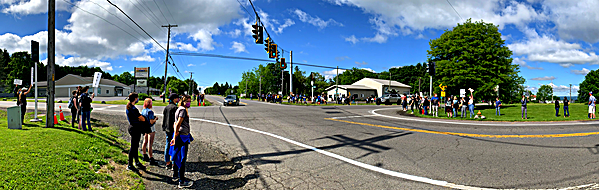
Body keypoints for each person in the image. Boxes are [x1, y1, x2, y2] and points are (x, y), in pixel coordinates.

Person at [170, 94, 194, 188]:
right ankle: (182, 181)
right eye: (187, 101)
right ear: (183, 101)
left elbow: (175, 123)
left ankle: (176, 175)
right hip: (182, 137)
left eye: (190, 101)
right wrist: (175, 137)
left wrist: (174, 137)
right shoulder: (183, 110)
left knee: (177, 157)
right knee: (183, 158)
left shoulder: (179, 109)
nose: (189, 103)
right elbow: (177, 124)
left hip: (180, 136)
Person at [125, 92, 146, 171]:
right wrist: (141, 118)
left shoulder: (130, 106)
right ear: (135, 98)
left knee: (136, 146)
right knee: (133, 147)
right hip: (135, 128)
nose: (138, 99)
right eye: (137, 98)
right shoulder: (133, 109)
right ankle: (130, 164)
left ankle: (136, 161)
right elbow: (142, 118)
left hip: (134, 128)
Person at [162, 93, 180, 170]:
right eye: (177, 98)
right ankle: (173, 163)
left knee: (167, 144)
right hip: (173, 129)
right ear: (174, 99)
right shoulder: (175, 108)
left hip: (167, 128)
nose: (178, 99)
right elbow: (176, 120)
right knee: (174, 146)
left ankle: (167, 162)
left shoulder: (166, 107)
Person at [141, 98, 159, 165]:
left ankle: (144, 155)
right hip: (150, 128)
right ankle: (151, 158)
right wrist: (155, 119)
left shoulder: (143, 110)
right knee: (150, 143)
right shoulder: (150, 112)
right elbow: (151, 122)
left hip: (145, 127)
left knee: (144, 141)